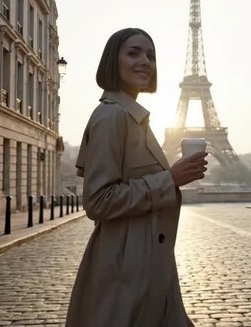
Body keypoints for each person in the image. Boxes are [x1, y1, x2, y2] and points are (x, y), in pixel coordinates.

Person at [65, 28, 206, 326]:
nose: (145, 61)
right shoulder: (111, 116)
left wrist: (173, 177)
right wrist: (170, 179)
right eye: (133, 53)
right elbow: (98, 201)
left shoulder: (131, 117)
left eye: (150, 55)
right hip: (126, 271)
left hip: (144, 263)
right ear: (112, 61)